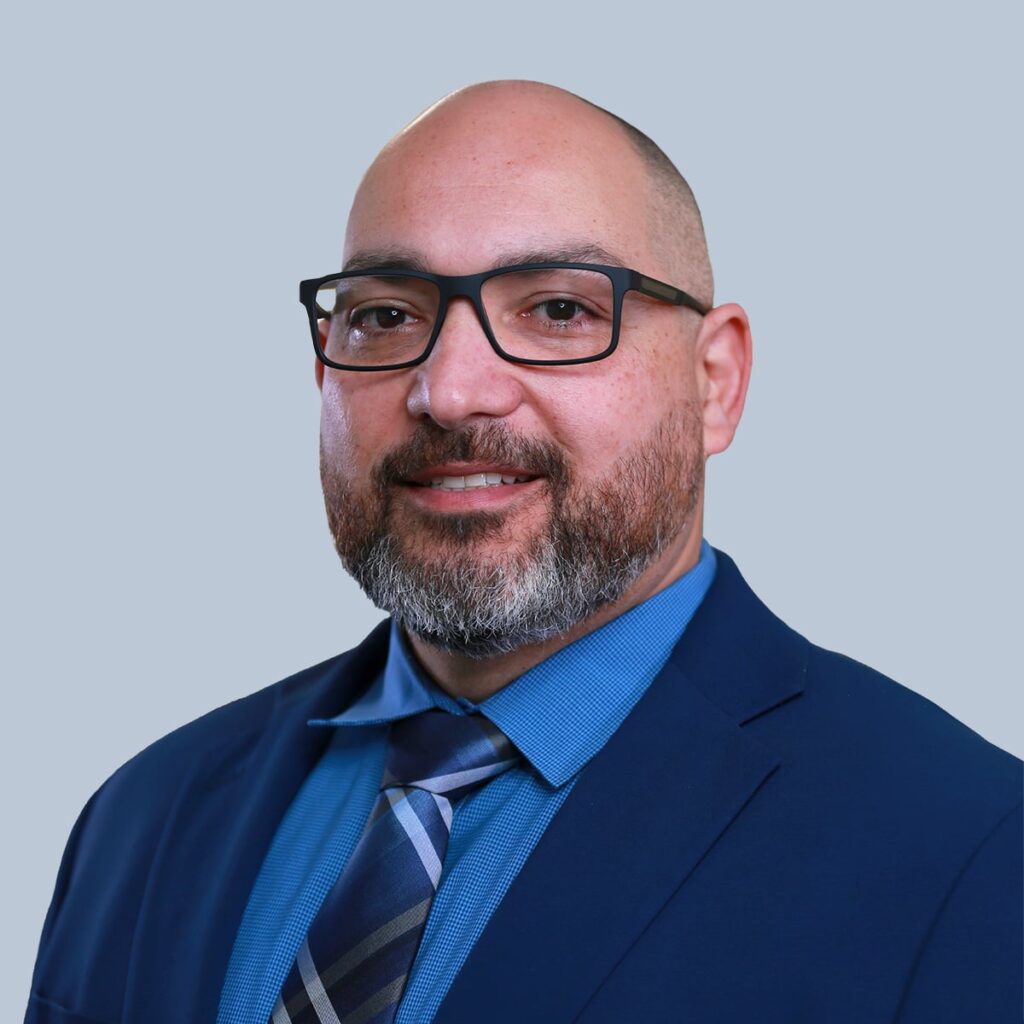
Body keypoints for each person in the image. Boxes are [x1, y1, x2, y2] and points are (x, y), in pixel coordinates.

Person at [26, 80, 1021, 1024]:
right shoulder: (141, 819)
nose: (451, 390)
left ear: (713, 382)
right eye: (385, 315)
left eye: (558, 309)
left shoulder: (968, 849)